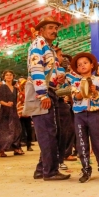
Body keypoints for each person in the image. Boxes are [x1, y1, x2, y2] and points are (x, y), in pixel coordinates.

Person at [28, 16, 70, 181]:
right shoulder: (38, 43)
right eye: (50, 27)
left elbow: (53, 71)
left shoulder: (49, 48)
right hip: (42, 92)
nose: (54, 31)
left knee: (53, 131)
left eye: (56, 28)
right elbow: (36, 68)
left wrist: (60, 78)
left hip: (50, 90)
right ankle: (50, 171)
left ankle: (42, 169)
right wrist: (42, 94)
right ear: (41, 31)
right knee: (48, 132)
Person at [69, 52, 99, 183]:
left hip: (94, 114)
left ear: (91, 65)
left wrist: (94, 91)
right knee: (82, 143)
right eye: (79, 65)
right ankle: (86, 169)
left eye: (85, 63)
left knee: (98, 142)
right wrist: (83, 91)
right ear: (77, 69)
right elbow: (75, 97)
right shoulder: (75, 81)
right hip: (79, 115)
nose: (82, 66)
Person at [53, 45, 75, 169]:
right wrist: (67, 91)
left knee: (67, 131)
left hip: (63, 104)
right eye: (60, 55)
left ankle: (63, 156)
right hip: (54, 102)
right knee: (56, 133)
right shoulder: (49, 71)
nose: (62, 58)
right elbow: (53, 90)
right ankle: (57, 160)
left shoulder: (62, 72)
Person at [0, 70, 23, 157]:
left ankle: (16, 148)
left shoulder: (15, 88)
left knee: (17, 129)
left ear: (13, 76)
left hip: (14, 111)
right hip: (5, 112)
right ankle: (2, 150)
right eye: (7, 75)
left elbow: (18, 100)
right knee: (4, 130)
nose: (9, 76)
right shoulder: (3, 87)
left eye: (10, 75)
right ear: (4, 77)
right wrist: (6, 104)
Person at [17, 78, 33, 151]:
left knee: (29, 129)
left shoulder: (28, 93)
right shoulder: (19, 93)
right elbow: (18, 103)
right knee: (21, 130)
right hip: (21, 113)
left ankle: (28, 144)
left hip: (27, 113)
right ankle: (21, 144)